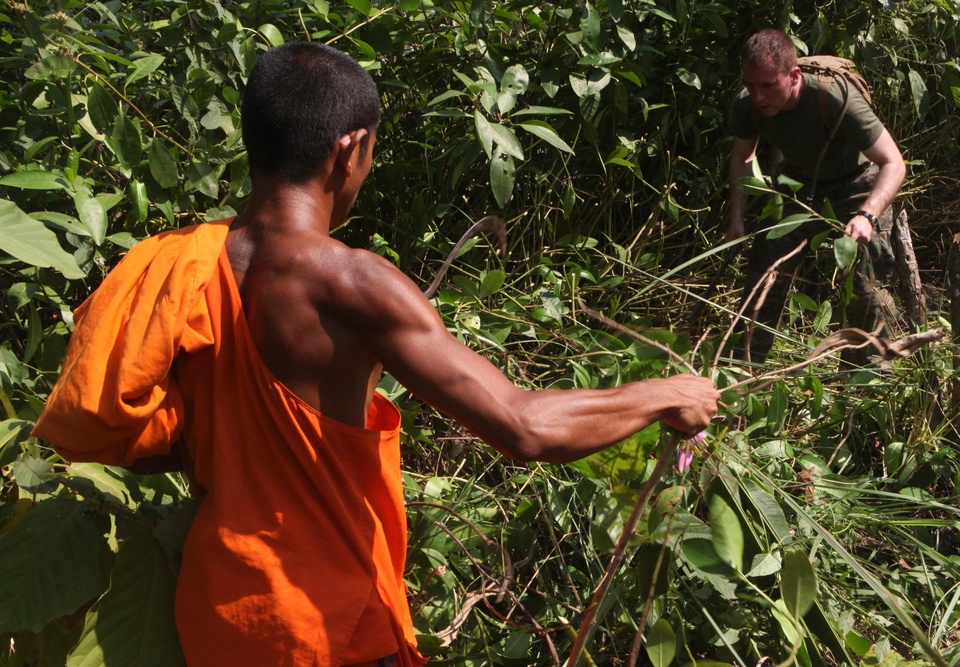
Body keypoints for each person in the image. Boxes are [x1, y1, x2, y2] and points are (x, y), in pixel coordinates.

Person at [32, 43, 720, 667]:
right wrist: (665, 393)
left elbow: (123, 423)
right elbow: (524, 425)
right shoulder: (350, 281)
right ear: (349, 148)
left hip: (223, 612)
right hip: (326, 624)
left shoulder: (179, 263)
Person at [726, 28, 907, 365]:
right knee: (764, 273)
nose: (758, 96)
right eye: (751, 85)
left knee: (867, 286)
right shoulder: (747, 105)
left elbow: (893, 162)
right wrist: (737, 217)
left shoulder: (834, 97)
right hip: (799, 183)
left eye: (768, 85)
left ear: (794, 76)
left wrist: (868, 214)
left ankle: (865, 381)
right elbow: (742, 157)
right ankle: (742, 369)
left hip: (857, 183)